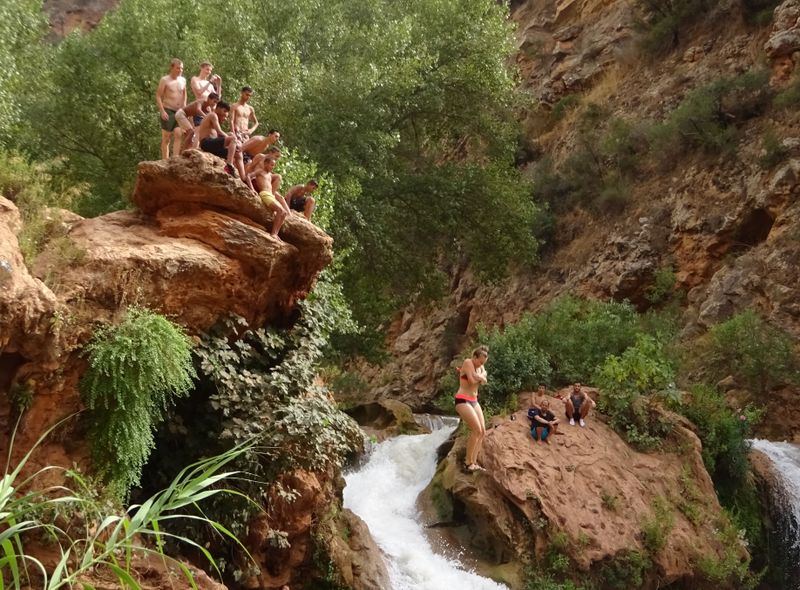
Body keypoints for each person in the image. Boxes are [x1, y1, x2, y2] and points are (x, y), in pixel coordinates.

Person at [455, 346, 489, 472]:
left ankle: (474, 462)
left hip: (474, 400)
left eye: (484, 363)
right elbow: (471, 381)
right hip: (462, 399)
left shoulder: (480, 367)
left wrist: (478, 375)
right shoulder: (468, 362)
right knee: (476, 429)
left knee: (483, 432)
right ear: (475, 357)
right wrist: (480, 376)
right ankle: (467, 462)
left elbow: (483, 380)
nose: (482, 364)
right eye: (480, 361)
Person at [195, 101, 248, 182]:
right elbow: (219, 131)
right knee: (233, 138)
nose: (225, 115)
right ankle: (229, 165)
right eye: (224, 111)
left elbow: (218, 136)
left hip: (213, 146)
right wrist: (233, 139)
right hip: (206, 143)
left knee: (238, 153)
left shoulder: (215, 118)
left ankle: (243, 178)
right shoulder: (213, 115)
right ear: (218, 108)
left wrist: (231, 138)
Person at [155, 58, 187, 159]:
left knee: (178, 134)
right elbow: (158, 96)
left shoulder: (183, 80)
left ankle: (175, 159)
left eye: (181, 68)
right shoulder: (165, 80)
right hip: (168, 110)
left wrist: (184, 107)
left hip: (179, 111)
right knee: (166, 138)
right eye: (178, 68)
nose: (180, 70)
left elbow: (184, 94)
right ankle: (165, 160)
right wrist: (162, 111)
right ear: (172, 67)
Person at [251, 157, 290, 238]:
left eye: (274, 166)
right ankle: (273, 233)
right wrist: (252, 189)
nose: (273, 167)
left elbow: (278, 177)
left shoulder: (270, 175)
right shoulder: (260, 171)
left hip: (270, 195)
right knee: (280, 210)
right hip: (264, 193)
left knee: (284, 213)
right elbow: (248, 176)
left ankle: (276, 233)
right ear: (265, 164)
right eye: (271, 165)